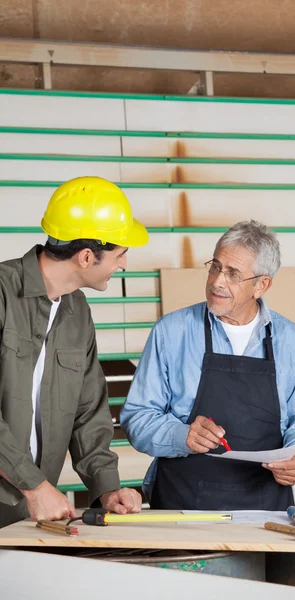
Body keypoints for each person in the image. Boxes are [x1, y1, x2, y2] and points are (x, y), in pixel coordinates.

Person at [121, 220, 295, 510]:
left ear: (262, 285)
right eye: (215, 267)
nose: (217, 281)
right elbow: (137, 417)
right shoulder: (172, 331)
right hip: (181, 507)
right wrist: (182, 436)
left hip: (265, 511)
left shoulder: (291, 340)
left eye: (233, 274)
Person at [0, 176, 149, 528]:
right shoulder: (2, 294)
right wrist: (33, 484)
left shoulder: (77, 312)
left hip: (28, 515)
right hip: (28, 496)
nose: (123, 264)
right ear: (86, 256)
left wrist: (107, 488)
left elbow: (88, 409)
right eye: (120, 253)